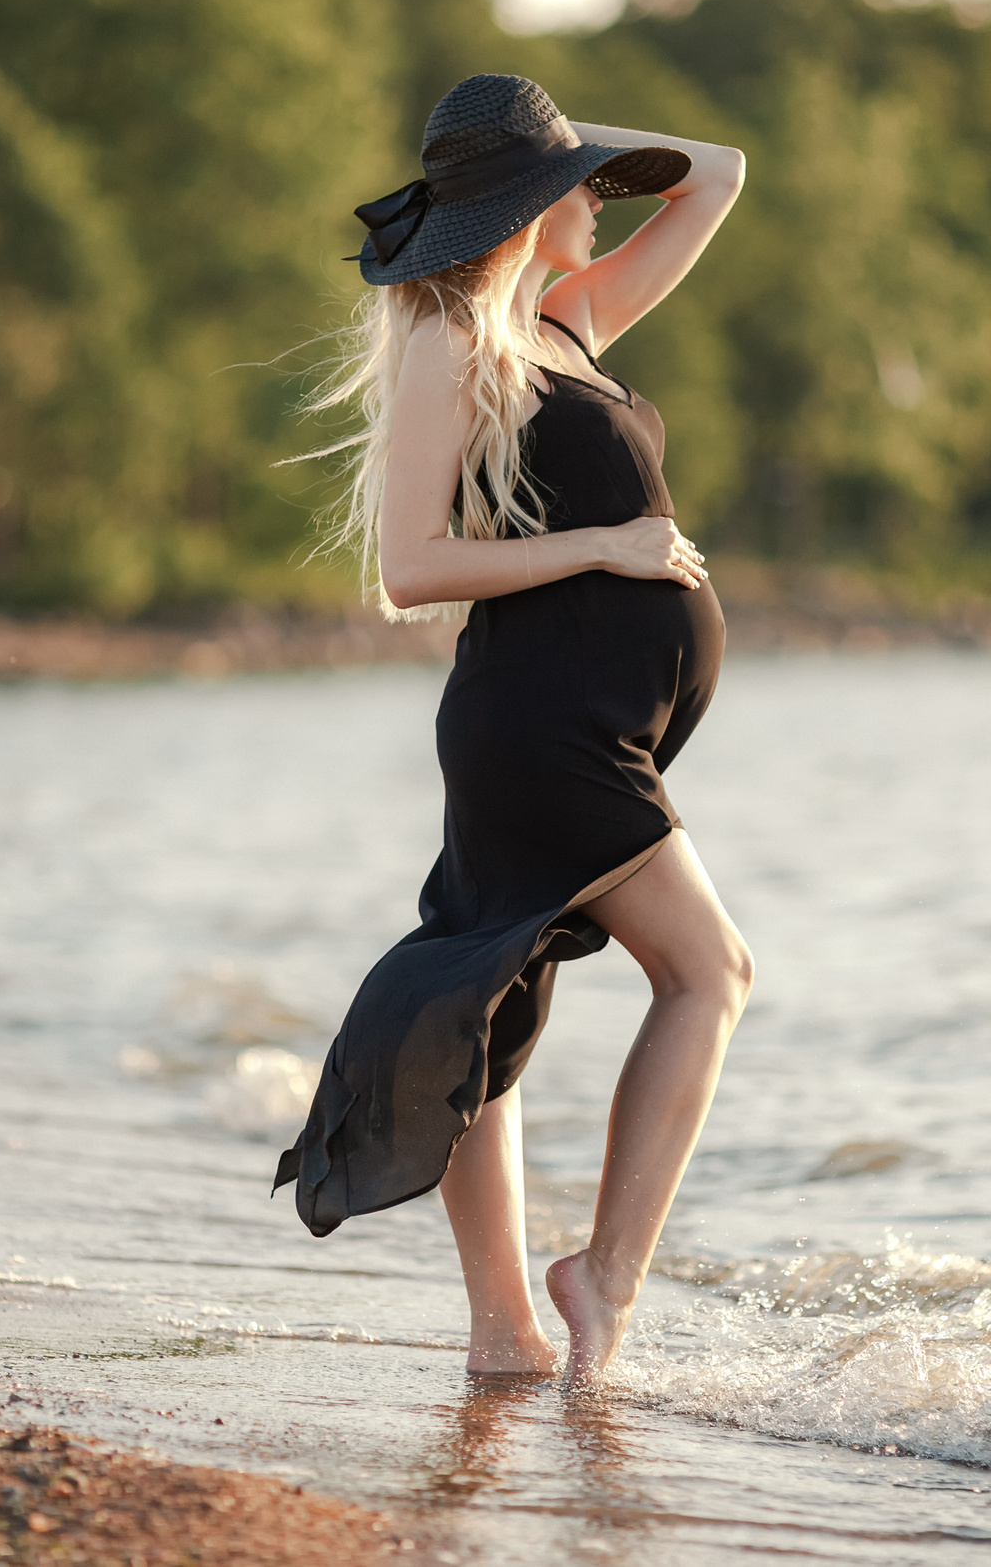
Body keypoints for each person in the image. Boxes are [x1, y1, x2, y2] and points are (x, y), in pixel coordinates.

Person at [276, 74, 750, 1384]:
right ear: (523, 207)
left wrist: (566, 154)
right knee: (712, 974)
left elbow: (717, 174)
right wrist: (614, 545)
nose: (598, 203)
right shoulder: (453, 348)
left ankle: (503, 1333)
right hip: (538, 729)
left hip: (586, 719)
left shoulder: (564, 325)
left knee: (495, 1001)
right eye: (575, 190)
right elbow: (411, 567)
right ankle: (599, 1282)